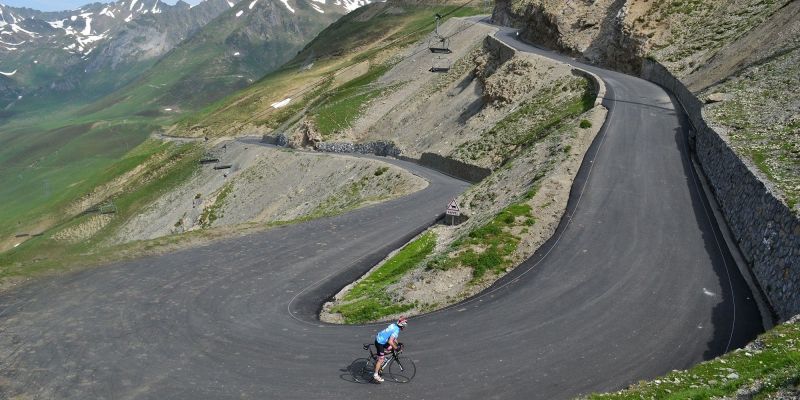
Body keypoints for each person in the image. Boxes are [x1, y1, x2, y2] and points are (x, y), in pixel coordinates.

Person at [372, 317, 408, 383]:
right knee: (381, 359)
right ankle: (376, 375)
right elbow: (390, 342)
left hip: (381, 338)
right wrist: (396, 348)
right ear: (402, 326)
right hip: (379, 342)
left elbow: (393, 337)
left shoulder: (394, 325)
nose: (404, 328)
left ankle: (380, 356)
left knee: (390, 348)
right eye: (404, 326)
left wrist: (397, 343)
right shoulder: (396, 330)